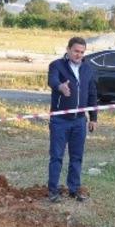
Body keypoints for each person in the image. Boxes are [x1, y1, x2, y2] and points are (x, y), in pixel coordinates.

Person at [47, 36, 98, 202]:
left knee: (77, 156)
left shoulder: (87, 69)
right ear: (68, 49)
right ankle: (53, 190)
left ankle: (74, 189)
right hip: (60, 120)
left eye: (82, 52)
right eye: (76, 51)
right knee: (56, 156)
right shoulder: (56, 65)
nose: (79, 55)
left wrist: (93, 118)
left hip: (79, 122)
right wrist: (60, 86)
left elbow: (92, 94)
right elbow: (52, 80)